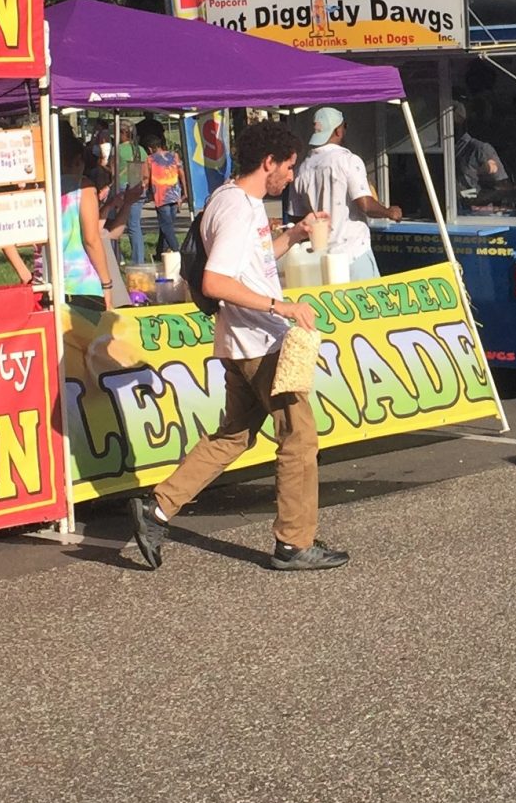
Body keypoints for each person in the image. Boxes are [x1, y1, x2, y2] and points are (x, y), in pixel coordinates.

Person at [126, 119, 344, 571]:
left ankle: (158, 508)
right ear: (269, 163)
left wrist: (295, 235)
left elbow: (253, 264)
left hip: (238, 341)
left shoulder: (226, 198)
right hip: (260, 341)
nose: (291, 176)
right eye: (288, 166)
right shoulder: (242, 210)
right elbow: (216, 280)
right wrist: (279, 307)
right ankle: (294, 542)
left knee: (235, 435)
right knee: (299, 438)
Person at [4, 126, 114, 302]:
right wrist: (107, 284)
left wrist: (25, 273)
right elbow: (91, 240)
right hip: (81, 285)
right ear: (78, 160)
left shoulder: (35, 189)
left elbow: (4, 234)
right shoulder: (83, 187)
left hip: (44, 283)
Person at [293, 106, 402, 280]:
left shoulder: (302, 168)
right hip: (353, 253)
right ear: (338, 130)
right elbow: (365, 204)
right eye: (345, 126)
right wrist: (390, 212)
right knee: (369, 305)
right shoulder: (348, 160)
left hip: (321, 259)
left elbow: (298, 218)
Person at [129, 119, 185, 265]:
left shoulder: (150, 159)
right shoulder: (174, 155)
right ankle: (162, 253)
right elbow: (181, 173)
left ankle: (177, 251)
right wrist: (184, 192)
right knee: (166, 225)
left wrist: (141, 191)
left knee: (166, 226)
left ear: (150, 148)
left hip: (161, 197)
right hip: (175, 194)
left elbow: (146, 178)